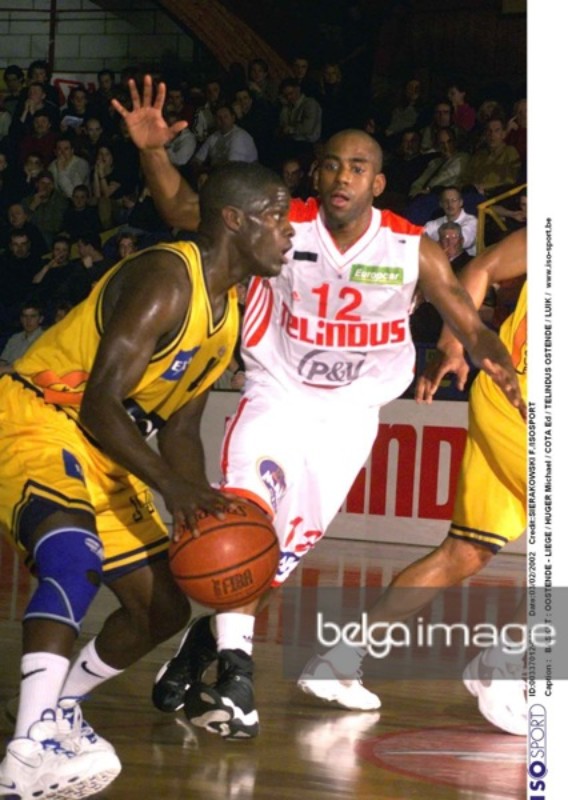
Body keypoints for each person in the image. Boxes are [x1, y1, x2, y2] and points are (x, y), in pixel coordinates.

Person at [112, 76, 524, 741]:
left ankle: (200, 649)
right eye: (332, 164)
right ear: (316, 174)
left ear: (377, 184)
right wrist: (153, 151)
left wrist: (484, 353)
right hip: (277, 394)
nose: (342, 177)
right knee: (246, 515)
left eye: (358, 168)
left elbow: (466, 315)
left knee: (268, 560)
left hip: (351, 417)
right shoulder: (282, 225)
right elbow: (185, 209)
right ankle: (237, 681)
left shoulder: (409, 248)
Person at [0, 153, 293, 797]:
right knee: (72, 557)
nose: (289, 228)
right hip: (40, 414)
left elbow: (182, 430)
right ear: (233, 220)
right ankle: (27, 752)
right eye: (276, 215)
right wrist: (170, 486)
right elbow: (100, 401)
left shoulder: (227, 316)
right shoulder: (167, 279)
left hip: (105, 444)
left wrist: (200, 500)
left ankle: (60, 706)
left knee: (162, 608)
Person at [341, 229, 527, 736]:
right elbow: (482, 266)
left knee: (465, 552)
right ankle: (504, 666)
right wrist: (453, 342)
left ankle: (340, 657)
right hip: (521, 398)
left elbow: (481, 267)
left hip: (509, 402)